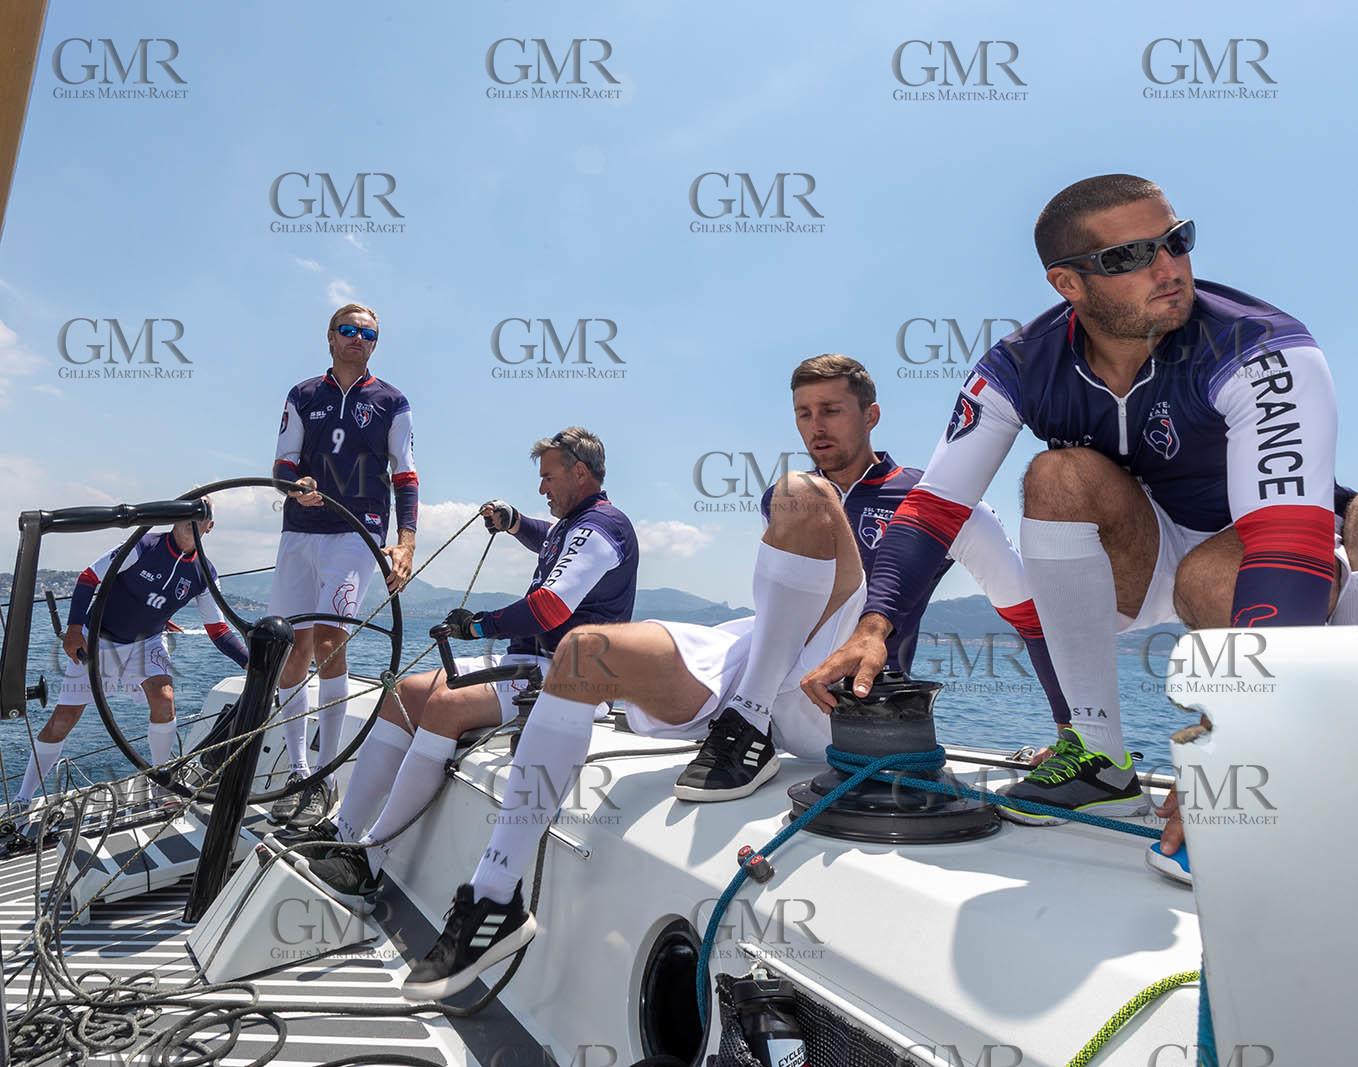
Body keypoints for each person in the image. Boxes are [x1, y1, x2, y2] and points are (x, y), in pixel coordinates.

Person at [801, 175, 1358, 852]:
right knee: (1056, 476)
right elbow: (935, 507)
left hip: (1261, 555)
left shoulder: (1262, 345)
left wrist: (1239, 738)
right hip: (1136, 561)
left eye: (1176, 241)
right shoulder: (1019, 365)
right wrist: (875, 624)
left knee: (1234, 569)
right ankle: (1099, 757)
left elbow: (1286, 542)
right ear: (1068, 284)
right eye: (1128, 257)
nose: (1168, 268)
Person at [395, 354, 1076, 1001]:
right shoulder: (795, 500)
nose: (816, 426)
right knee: (582, 653)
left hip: (838, 697)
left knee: (797, 493)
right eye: (804, 412)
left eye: (832, 410)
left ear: (872, 415)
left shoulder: (935, 501)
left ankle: (746, 724)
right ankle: (494, 896)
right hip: (751, 654)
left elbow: (1028, 610)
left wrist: (1073, 730)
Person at [291, 427, 637, 911]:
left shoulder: (603, 528)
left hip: (565, 677)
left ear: (580, 473)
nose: (542, 488)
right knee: (400, 693)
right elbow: (550, 538)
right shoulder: (575, 524)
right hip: (530, 663)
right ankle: (343, 831)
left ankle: (368, 864)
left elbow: (550, 608)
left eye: (548, 478)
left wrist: (479, 627)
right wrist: (514, 522)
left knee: (445, 705)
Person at [268, 303, 418, 828]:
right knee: (293, 645)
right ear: (330, 337)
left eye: (369, 333)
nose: (359, 339)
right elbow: (284, 462)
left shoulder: (392, 401)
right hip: (299, 531)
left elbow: (405, 474)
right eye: (349, 330)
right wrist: (295, 486)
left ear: (375, 343)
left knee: (330, 640)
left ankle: (326, 773)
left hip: (358, 532)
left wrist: (406, 540)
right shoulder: (303, 394)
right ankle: (299, 769)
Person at [9, 510, 248, 813]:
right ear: (174, 516)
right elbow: (88, 577)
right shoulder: (143, 545)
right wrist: (73, 630)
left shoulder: (205, 573)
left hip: (146, 642)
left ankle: (161, 782)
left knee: (164, 700)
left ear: (209, 526)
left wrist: (249, 662)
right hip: (97, 638)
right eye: (186, 511)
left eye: (200, 516)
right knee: (63, 720)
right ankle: (22, 799)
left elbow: (218, 629)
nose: (191, 520)